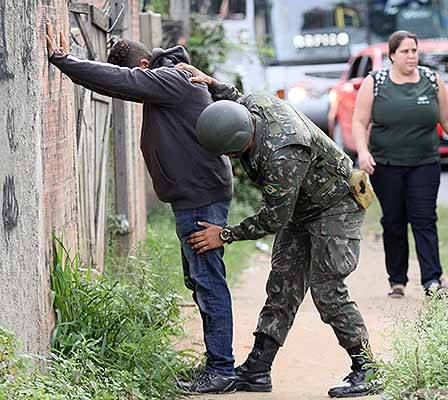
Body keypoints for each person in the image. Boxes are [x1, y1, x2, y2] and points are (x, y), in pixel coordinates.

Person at [45, 22, 237, 393]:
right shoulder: (171, 77)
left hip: (200, 196)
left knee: (208, 281)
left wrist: (63, 60)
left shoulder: (171, 78)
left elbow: (123, 81)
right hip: (195, 194)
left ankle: (222, 369)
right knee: (200, 281)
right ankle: (218, 362)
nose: (138, 83)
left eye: (138, 76)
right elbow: (122, 82)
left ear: (144, 66)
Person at [177, 62, 377, 398]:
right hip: (303, 205)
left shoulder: (284, 156)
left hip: (335, 206)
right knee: (282, 285)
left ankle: (366, 367)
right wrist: (213, 84)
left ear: (236, 145)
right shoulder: (252, 107)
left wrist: (225, 234)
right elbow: (236, 98)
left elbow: (274, 218)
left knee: (326, 289)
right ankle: (257, 370)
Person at [352, 30, 448, 298]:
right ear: (392, 55)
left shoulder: (431, 80)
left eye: (414, 51)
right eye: (405, 51)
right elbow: (360, 121)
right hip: (386, 164)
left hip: (424, 162)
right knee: (393, 221)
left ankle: (432, 279)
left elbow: (447, 119)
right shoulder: (376, 82)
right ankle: (397, 280)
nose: (411, 56)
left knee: (424, 218)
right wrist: (363, 152)